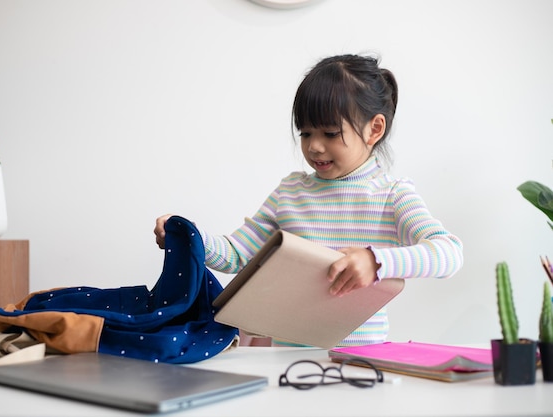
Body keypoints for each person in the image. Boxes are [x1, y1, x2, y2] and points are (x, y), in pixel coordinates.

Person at [154, 54, 463, 347]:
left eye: (330, 133)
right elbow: (236, 255)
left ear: (375, 129)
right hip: (290, 363)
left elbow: (449, 253)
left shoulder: (392, 195)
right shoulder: (289, 193)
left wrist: (377, 262)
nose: (314, 147)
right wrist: (187, 235)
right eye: (305, 133)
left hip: (363, 364)